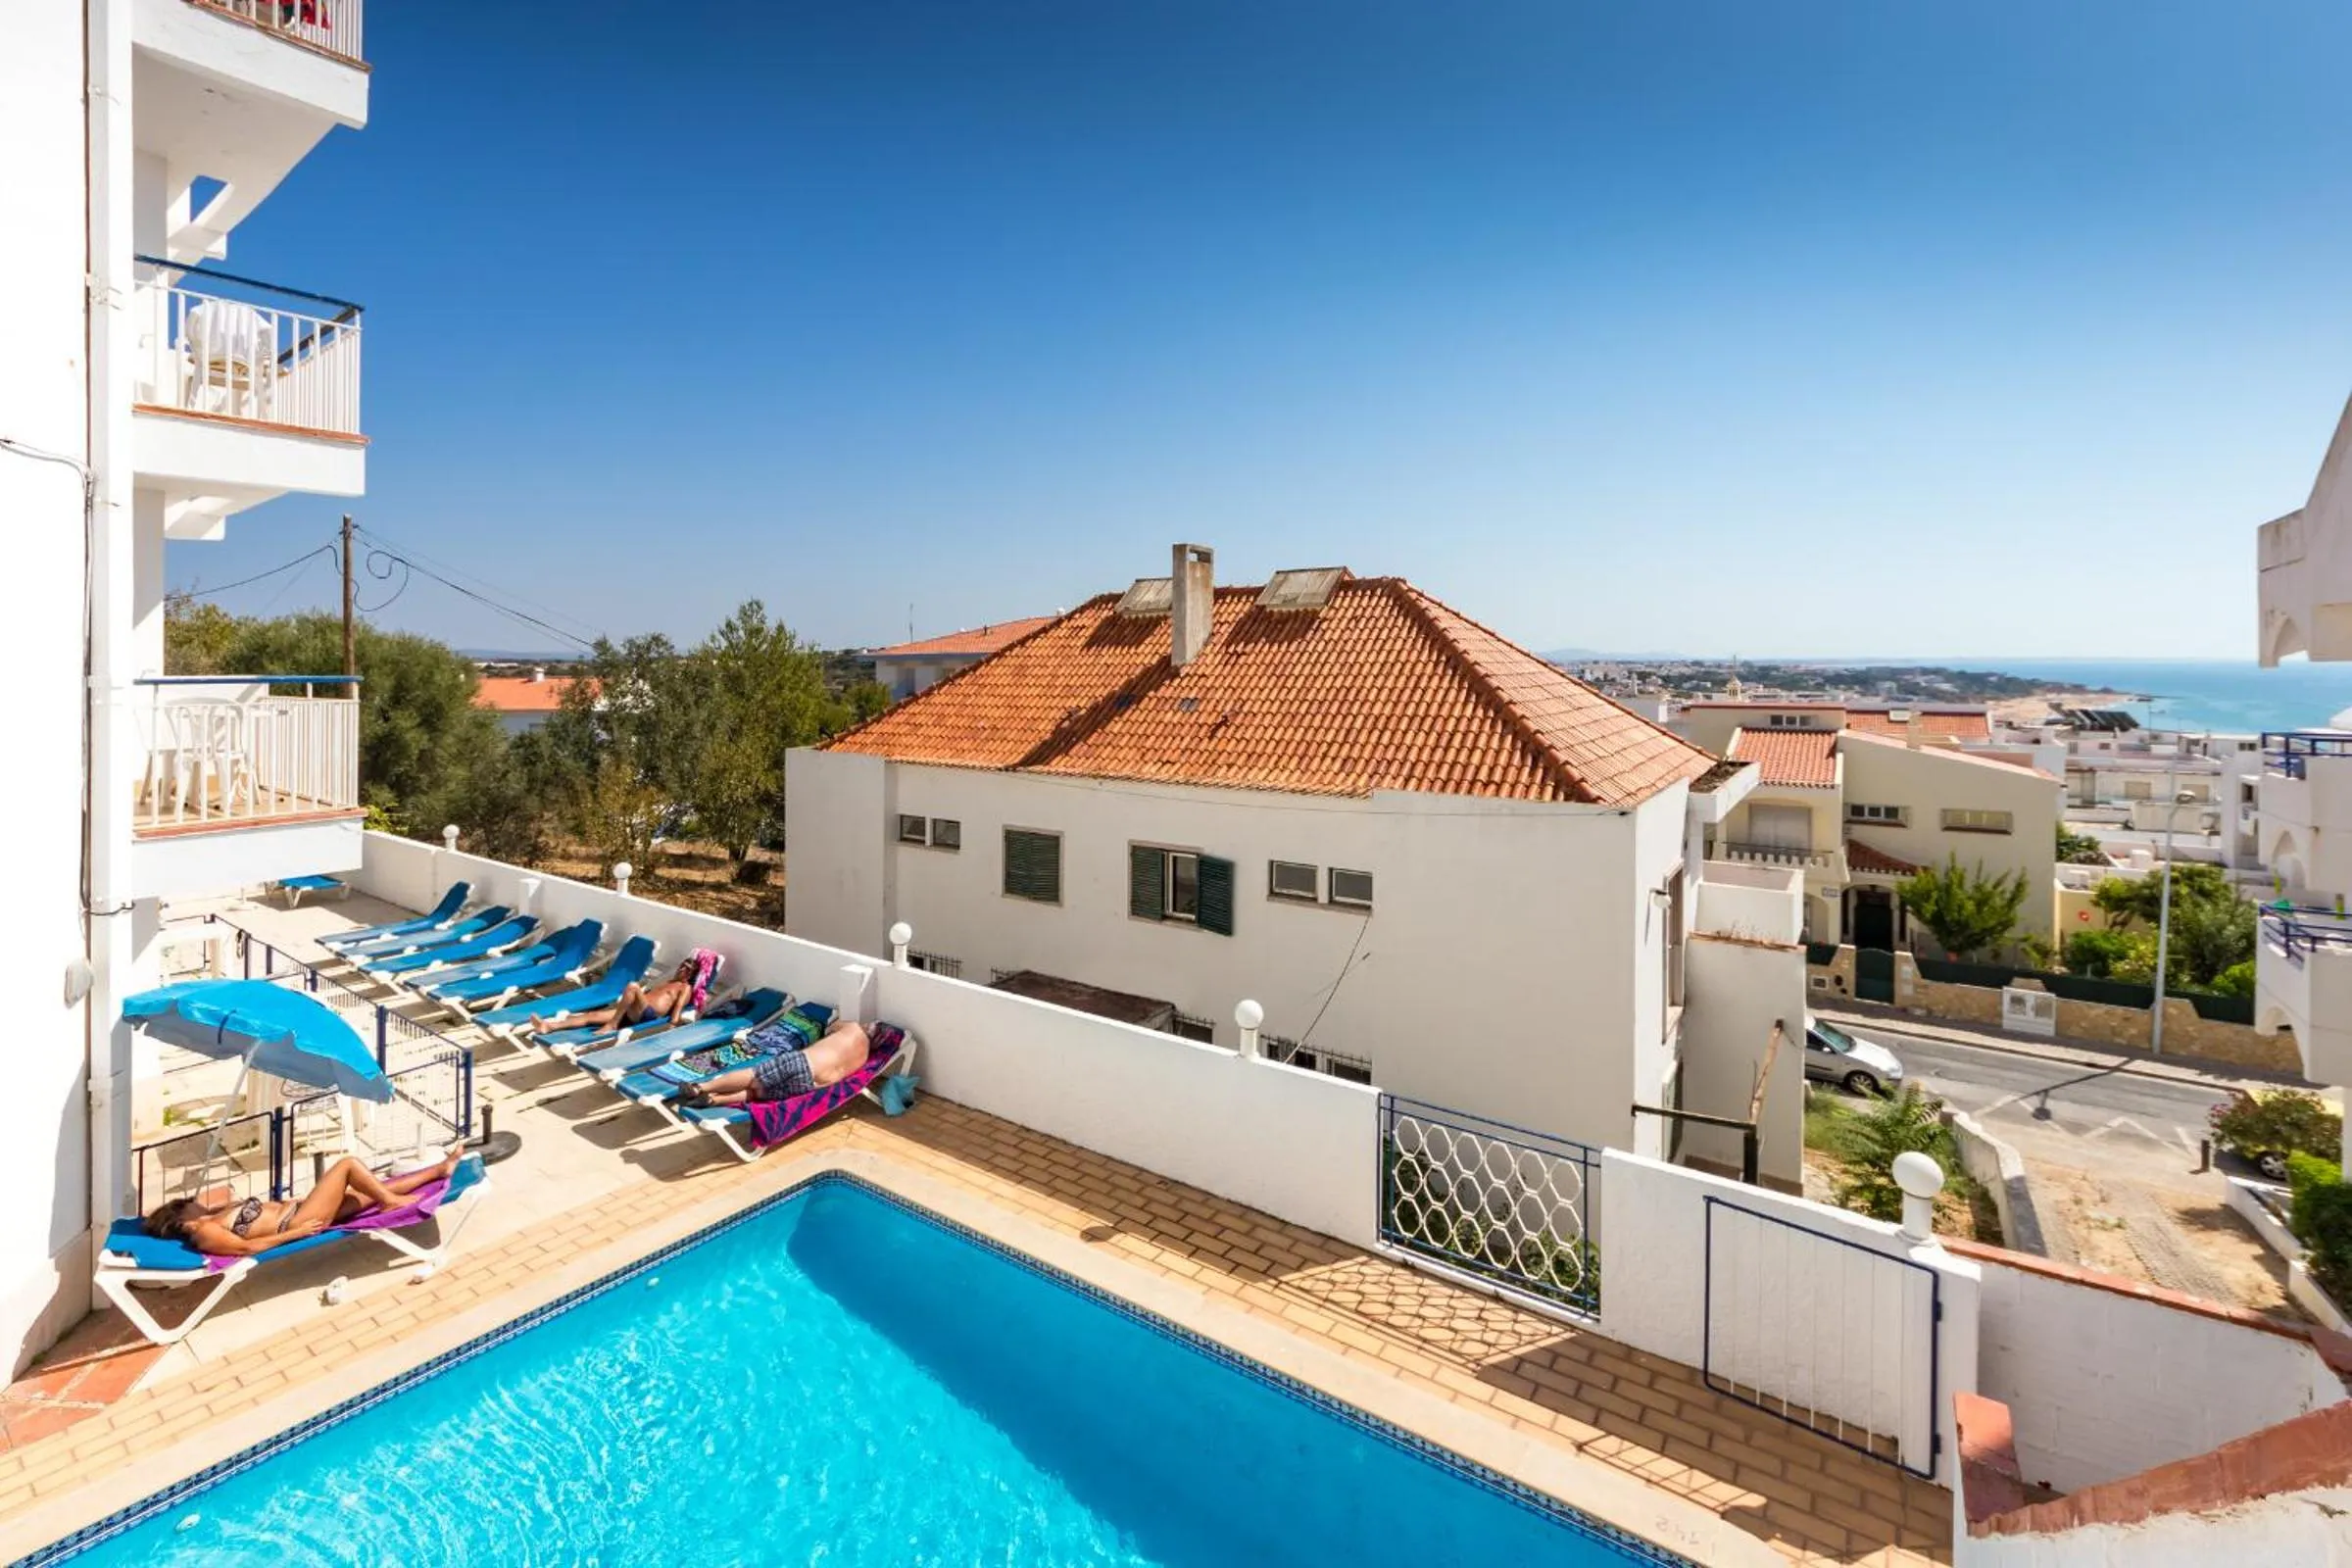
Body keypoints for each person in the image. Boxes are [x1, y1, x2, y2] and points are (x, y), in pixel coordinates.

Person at [144, 1147, 466, 1258]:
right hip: (298, 1224)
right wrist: (294, 1234)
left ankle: (439, 1169)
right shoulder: (205, 1232)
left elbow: (259, 1216)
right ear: (179, 1215)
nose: (196, 1200)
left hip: (300, 1211)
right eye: (188, 1201)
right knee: (348, 1165)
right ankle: (392, 1203)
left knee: (372, 1188)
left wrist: (293, 1203)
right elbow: (247, 1248)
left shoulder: (214, 1215)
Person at [674, 1018, 871, 1108]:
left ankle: (699, 1087)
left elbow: (831, 1027)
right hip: (809, 1084)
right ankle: (713, 1100)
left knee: (753, 1076)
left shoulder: (853, 1028)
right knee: (758, 1093)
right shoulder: (863, 1058)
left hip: (803, 1062)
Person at [560, 948, 718, 1033]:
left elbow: (676, 1013)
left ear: (692, 974)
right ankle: (548, 1026)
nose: (683, 969)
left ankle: (613, 1024)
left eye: (688, 969)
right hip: (633, 1010)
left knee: (633, 986)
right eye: (683, 965)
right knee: (591, 1016)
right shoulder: (670, 981)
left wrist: (669, 1029)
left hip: (647, 1015)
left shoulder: (685, 987)